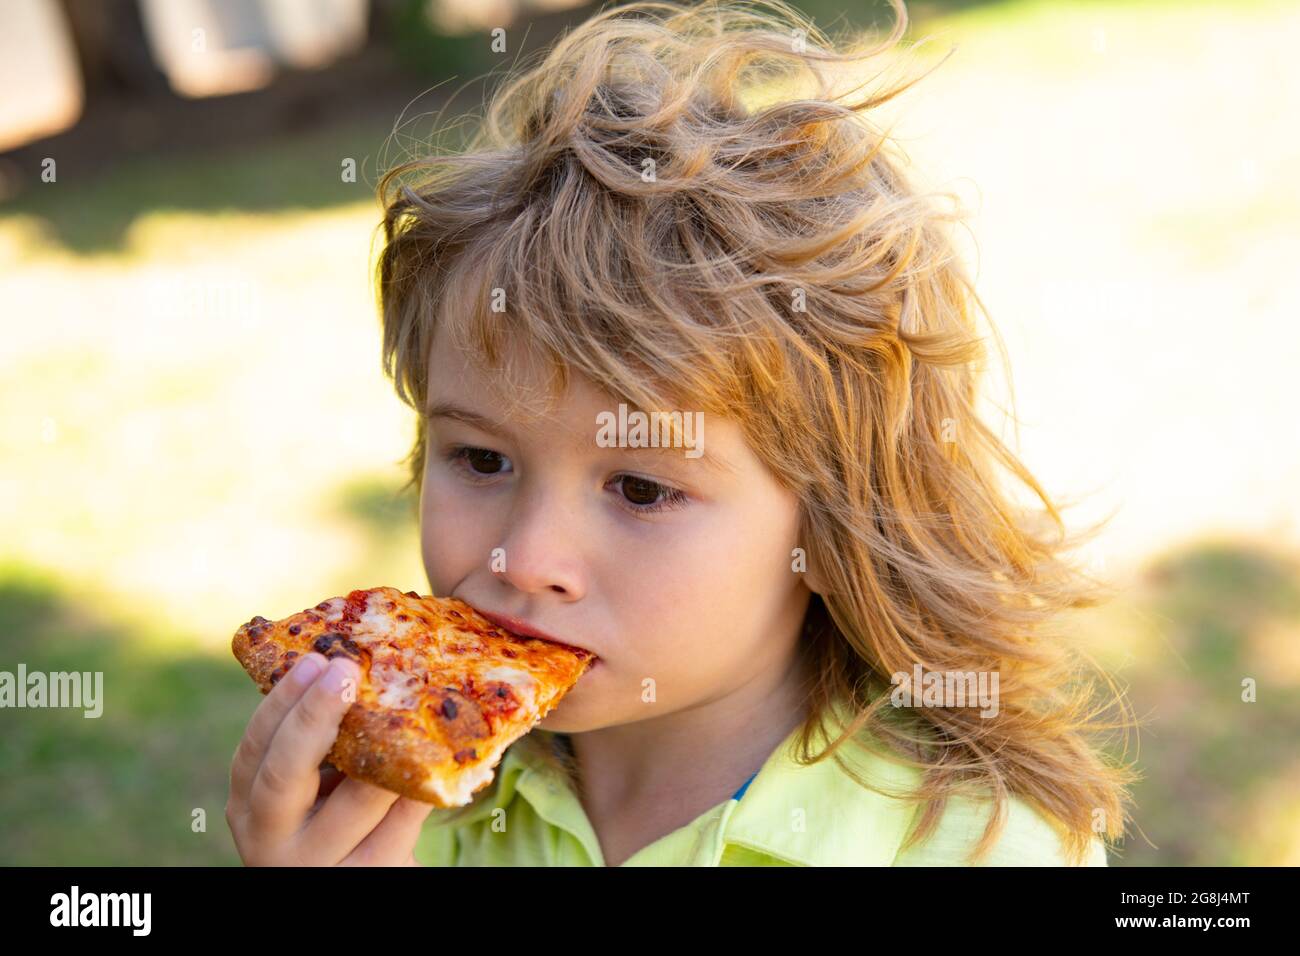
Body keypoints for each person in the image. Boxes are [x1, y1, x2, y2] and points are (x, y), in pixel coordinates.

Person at [226, 0, 1134, 867]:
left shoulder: (981, 846)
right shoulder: (403, 805)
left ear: (834, 524)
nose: (524, 557)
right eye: (482, 458)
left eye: (642, 487)